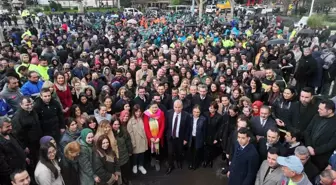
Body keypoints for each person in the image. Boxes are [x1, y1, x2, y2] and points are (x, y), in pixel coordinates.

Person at [304, 100, 336, 170]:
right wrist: (309, 145)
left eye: (321, 109)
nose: (318, 110)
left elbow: (332, 144)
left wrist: (315, 151)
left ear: (330, 111)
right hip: (308, 150)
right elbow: (307, 131)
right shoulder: (316, 116)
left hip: (321, 158)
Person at [11, 96, 42, 166]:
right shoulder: (17, 117)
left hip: (37, 141)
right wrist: (24, 146)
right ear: (21, 104)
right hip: (29, 145)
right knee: (33, 162)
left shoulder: (32, 111)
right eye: (27, 105)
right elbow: (16, 135)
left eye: (31, 104)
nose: (30, 106)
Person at [165, 100, 191, 174]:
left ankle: (178, 162)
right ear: (173, 107)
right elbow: (166, 125)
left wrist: (186, 138)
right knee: (170, 152)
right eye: (175, 107)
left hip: (180, 138)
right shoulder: (168, 113)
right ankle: (170, 166)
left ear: (182, 107)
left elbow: (188, 128)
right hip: (170, 137)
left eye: (179, 107)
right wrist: (167, 134)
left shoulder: (186, 115)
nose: (177, 109)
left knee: (179, 151)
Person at [0, 117, 27, 185]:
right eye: (7, 126)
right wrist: (12, 174)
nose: (11, 128)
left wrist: (25, 157)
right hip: (14, 175)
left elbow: (18, 146)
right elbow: (2, 163)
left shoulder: (10, 134)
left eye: (11, 125)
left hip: (22, 167)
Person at [143, 101, 165, 172]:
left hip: (159, 137)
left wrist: (159, 137)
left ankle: (157, 161)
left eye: (156, 107)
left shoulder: (161, 113)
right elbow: (146, 127)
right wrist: (150, 137)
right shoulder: (146, 114)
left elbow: (162, 126)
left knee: (158, 150)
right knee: (151, 149)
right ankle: (153, 158)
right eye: (153, 107)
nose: (155, 109)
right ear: (150, 107)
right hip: (151, 137)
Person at [127, 104, 148, 175]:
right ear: (133, 112)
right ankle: (135, 165)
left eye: (139, 111)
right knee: (135, 155)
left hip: (143, 140)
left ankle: (141, 166)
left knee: (142, 154)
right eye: (136, 112)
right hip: (135, 140)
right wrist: (133, 142)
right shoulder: (130, 121)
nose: (138, 113)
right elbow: (130, 133)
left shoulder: (143, 118)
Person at [111, 119, 132, 185]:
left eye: (118, 124)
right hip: (116, 156)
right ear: (111, 125)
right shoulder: (110, 134)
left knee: (125, 170)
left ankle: (126, 180)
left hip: (124, 154)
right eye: (115, 124)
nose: (116, 126)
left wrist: (130, 151)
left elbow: (128, 142)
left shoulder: (124, 131)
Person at [204, 101, 223, 168]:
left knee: (212, 150)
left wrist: (216, 138)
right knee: (206, 149)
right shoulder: (205, 114)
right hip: (206, 134)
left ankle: (210, 161)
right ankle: (206, 161)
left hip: (213, 135)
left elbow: (219, 129)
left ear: (215, 109)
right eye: (210, 107)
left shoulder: (219, 117)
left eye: (212, 108)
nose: (210, 109)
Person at [188, 105, 206, 170]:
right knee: (190, 151)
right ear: (192, 111)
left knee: (196, 152)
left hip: (198, 138)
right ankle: (190, 164)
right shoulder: (189, 117)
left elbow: (204, 131)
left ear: (200, 112)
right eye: (194, 112)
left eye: (198, 112)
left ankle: (195, 164)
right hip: (190, 137)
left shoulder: (203, 119)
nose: (196, 113)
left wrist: (203, 140)